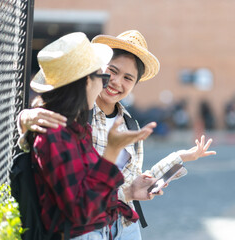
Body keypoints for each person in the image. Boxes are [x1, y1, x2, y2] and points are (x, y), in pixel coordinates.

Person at [18, 30, 216, 240]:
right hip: (90, 229)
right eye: (109, 73)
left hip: (123, 224)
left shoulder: (129, 123)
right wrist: (24, 117)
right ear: (87, 79)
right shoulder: (72, 120)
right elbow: (82, 204)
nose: (114, 82)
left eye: (128, 78)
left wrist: (180, 158)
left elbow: (130, 182)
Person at [24, 32, 157, 240]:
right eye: (104, 75)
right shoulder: (57, 132)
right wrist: (112, 152)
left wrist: (130, 192)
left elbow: (90, 192)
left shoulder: (77, 129)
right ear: (85, 83)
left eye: (128, 78)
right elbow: (82, 212)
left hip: (115, 224)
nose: (109, 83)